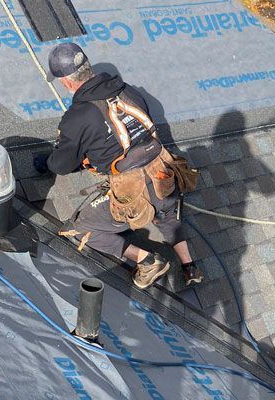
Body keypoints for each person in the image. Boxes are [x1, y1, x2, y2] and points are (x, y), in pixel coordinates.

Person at [43, 43, 203, 289]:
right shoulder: (127, 91)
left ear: (66, 81)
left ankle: (148, 261)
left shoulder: (78, 116)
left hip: (133, 195)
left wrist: (52, 159)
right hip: (164, 176)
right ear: (87, 67)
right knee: (167, 215)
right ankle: (189, 267)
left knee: (80, 229)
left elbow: (61, 165)